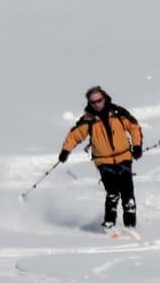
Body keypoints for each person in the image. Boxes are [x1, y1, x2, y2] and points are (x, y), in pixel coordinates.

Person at [59, 86, 144, 231]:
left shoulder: (117, 112)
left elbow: (134, 127)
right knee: (112, 192)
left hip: (124, 157)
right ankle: (109, 224)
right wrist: (66, 150)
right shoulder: (88, 120)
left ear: (104, 98)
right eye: (93, 102)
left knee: (127, 194)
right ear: (89, 103)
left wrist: (137, 146)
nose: (97, 104)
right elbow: (75, 135)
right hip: (103, 161)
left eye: (99, 100)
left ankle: (130, 227)